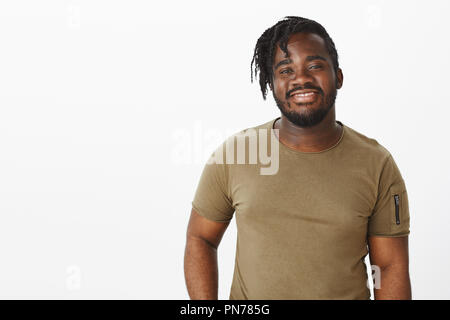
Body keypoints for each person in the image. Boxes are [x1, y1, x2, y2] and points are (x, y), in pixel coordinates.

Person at [184, 16, 411, 300]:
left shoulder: (377, 164)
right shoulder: (237, 153)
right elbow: (201, 237)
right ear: (272, 82)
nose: (301, 78)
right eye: (286, 70)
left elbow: (389, 267)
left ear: (338, 76)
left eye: (314, 66)